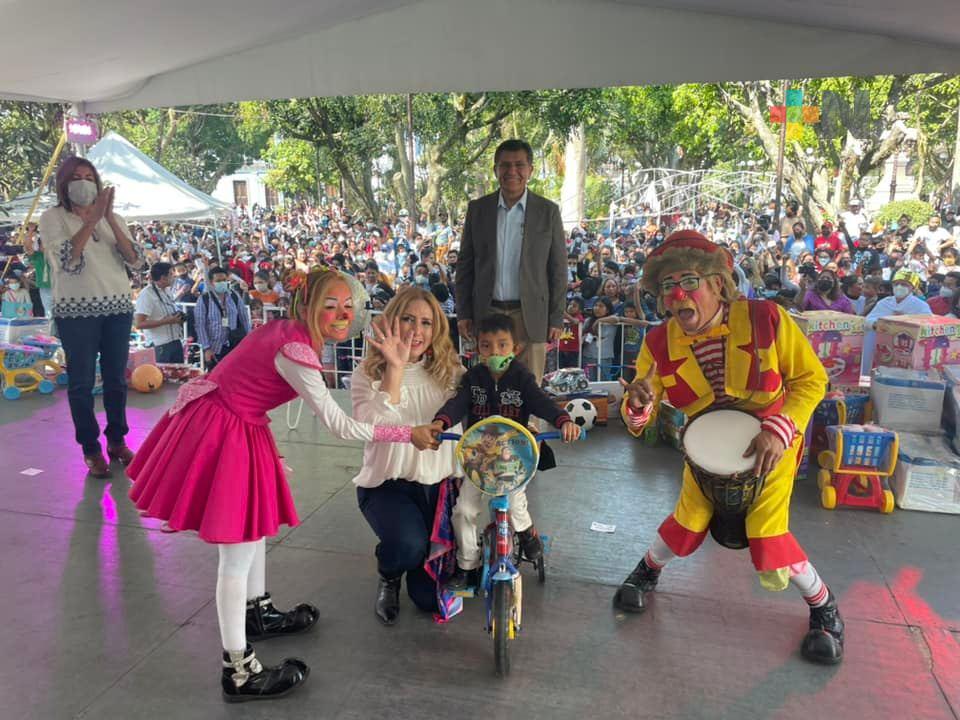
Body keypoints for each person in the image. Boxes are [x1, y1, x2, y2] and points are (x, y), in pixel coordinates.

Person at [128, 269, 439, 702]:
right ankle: (237, 670)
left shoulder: (289, 333)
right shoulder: (296, 348)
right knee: (236, 548)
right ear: (307, 305)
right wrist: (408, 433)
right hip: (222, 430)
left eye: (348, 306)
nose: (341, 314)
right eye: (330, 305)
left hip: (238, 424)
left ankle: (257, 613)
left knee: (251, 530)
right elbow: (340, 426)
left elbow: (245, 385)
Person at [615, 230, 843, 666]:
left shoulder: (767, 319)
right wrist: (639, 405)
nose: (677, 295)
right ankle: (647, 571)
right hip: (703, 451)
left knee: (767, 533)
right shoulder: (658, 344)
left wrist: (780, 428)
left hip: (769, 448)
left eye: (687, 282)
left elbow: (812, 380)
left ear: (717, 284)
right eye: (667, 287)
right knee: (687, 520)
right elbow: (638, 416)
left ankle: (825, 608)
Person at [429, 313, 580, 589]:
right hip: (478, 458)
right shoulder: (473, 378)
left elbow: (540, 401)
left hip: (513, 457)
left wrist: (563, 420)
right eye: (486, 346)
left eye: (502, 345)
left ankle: (526, 533)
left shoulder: (521, 378)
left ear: (515, 349)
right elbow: (458, 403)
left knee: (515, 502)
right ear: (477, 349)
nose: (494, 351)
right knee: (463, 510)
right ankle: (467, 564)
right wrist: (441, 421)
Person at [350, 287, 464, 625]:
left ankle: (412, 567)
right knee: (408, 546)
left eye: (426, 323)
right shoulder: (366, 375)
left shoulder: (451, 372)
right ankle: (389, 572)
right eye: (408, 319)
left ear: (437, 329)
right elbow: (372, 424)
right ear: (392, 322)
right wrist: (395, 367)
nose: (417, 330)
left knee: (429, 600)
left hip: (440, 490)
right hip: (388, 487)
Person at [38, 157, 145, 478]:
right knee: (82, 383)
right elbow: (65, 260)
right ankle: (90, 448)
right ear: (64, 184)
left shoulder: (115, 219)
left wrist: (108, 219)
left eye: (89, 177)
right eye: (76, 177)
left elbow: (136, 260)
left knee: (116, 380)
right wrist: (89, 222)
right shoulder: (53, 218)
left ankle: (116, 440)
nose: (84, 182)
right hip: (77, 313)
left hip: (117, 309)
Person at [455, 139, 567, 382]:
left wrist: (556, 317)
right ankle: (491, 423)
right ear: (495, 170)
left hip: (532, 315)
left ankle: (530, 424)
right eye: (504, 165)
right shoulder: (478, 209)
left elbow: (558, 269)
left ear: (530, 170)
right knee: (488, 385)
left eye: (519, 165)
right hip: (488, 312)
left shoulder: (548, 212)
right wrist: (463, 312)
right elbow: (465, 265)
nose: (512, 172)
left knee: (529, 387)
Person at [862, 269, 932, 372]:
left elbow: (927, 326)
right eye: (896, 284)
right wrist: (879, 324)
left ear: (912, 287)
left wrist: (904, 321)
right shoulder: (885, 302)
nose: (899, 287)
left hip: (906, 349)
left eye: (904, 284)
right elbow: (867, 321)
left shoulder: (921, 306)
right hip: (882, 346)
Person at [195, 265, 252, 368]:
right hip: (214, 348)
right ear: (212, 282)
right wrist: (206, 348)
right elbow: (200, 326)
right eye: (218, 280)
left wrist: (248, 340)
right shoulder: (204, 300)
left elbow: (244, 319)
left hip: (234, 345)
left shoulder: (234, 296)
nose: (222, 283)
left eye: (224, 280)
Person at [134, 262, 185, 363]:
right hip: (160, 345)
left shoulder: (167, 290)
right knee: (161, 376)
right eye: (171, 274)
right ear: (163, 278)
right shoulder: (147, 294)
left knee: (178, 375)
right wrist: (165, 321)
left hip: (175, 340)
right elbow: (139, 324)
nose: (174, 276)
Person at [21, 222, 53, 317]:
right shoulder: (38, 256)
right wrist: (30, 231)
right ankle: (53, 331)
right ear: (39, 247)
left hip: (60, 287)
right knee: (49, 313)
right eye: (44, 243)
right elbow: (27, 247)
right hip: (45, 287)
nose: (46, 245)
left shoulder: (58, 255)